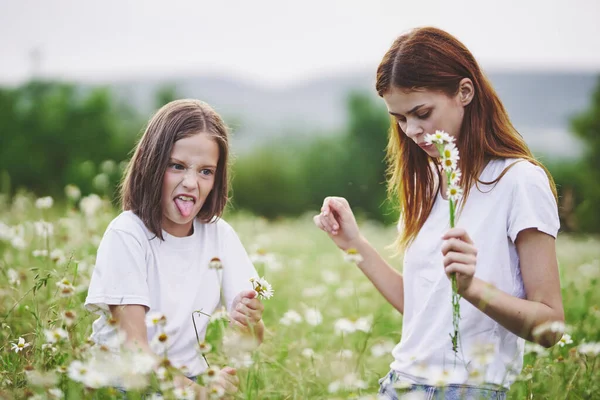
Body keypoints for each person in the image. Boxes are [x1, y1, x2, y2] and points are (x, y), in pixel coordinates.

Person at [314, 27, 564, 399]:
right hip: (399, 385)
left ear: (465, 92)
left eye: (422, 113)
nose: (412, 131)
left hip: (467, 389)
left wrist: (473, 288)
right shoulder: (429, 182)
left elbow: (552, 324)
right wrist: (353, 245)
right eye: (399, 118)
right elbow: (421, 310)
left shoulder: (519, 181)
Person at [85, 99, 265, 398]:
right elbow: (135, 352)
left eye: (206, 171)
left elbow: (253, 340)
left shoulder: (219, 235)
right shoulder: (127, 234)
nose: (191, 182)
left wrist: (250, 321)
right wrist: (200, 392)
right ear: (150, 164)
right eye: (177, 166)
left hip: (187, 379)